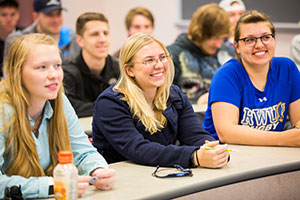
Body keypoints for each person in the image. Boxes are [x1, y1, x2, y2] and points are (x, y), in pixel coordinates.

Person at [0, 33, 116, 199]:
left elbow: (83, 152)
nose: (54, 75)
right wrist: (52, 185)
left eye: (57, 65)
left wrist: (98, 170)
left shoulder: (59, 100)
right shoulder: (3, 110)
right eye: (42, 67)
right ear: (16, 72)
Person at [92, 33, 229, 169]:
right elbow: (139, 149)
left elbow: (195, 135)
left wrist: (214, 150)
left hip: (159, 173)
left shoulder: (174, 96)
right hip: (122, 180)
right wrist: (194, 157)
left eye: (162, 57)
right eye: (149, 60)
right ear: (129, 70)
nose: (159, 65)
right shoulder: (110, 103)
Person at [203, 10, 300, 145]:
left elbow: (298, 122)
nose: (259, 45)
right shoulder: (226, 75)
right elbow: (227, 133)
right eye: (249, 40)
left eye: (266, 37)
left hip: (270, 153)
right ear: (237, 46)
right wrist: (285, 138)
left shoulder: (287, 69)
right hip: (226, 156)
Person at [167, 3, 231, 105]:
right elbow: (166, 99)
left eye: (222, 39)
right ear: (200, 32)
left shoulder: (225, 53)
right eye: (215, 38)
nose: (219, 45)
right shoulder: (172, 55)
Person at [63, 12, 120, 117]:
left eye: (105, 33)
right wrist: (110, 106)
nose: (102, 39)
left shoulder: (119, 69)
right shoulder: (67, 73)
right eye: (95, 34)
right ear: (80, 40)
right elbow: (68, 107)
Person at [6, 0, 80, 59]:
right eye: (49, 15)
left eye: (58, 14)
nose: (56, 20)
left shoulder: (74, 37)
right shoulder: (17, 41)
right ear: (35, 17)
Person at [218, 0, 246, 65]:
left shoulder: (251, 40)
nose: (238, 19)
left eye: (241, 14)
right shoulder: (217, 43)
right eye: (232, 15)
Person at [0, 0, 21, 78]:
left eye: (12, 14)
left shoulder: (25, 37)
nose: (9, 19)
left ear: (18, 15)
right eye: (4, 15)